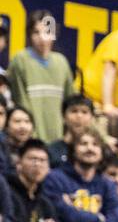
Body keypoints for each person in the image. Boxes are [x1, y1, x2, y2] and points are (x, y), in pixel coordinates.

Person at [5, 11, 76, 143]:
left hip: (58, 139)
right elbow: (18, 101)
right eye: (36, 32)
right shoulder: (20, 60)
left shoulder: (61, 62)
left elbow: (71, 102)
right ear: (30, 35)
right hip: (29, 140)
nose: (42, 38)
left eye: (47, 32)